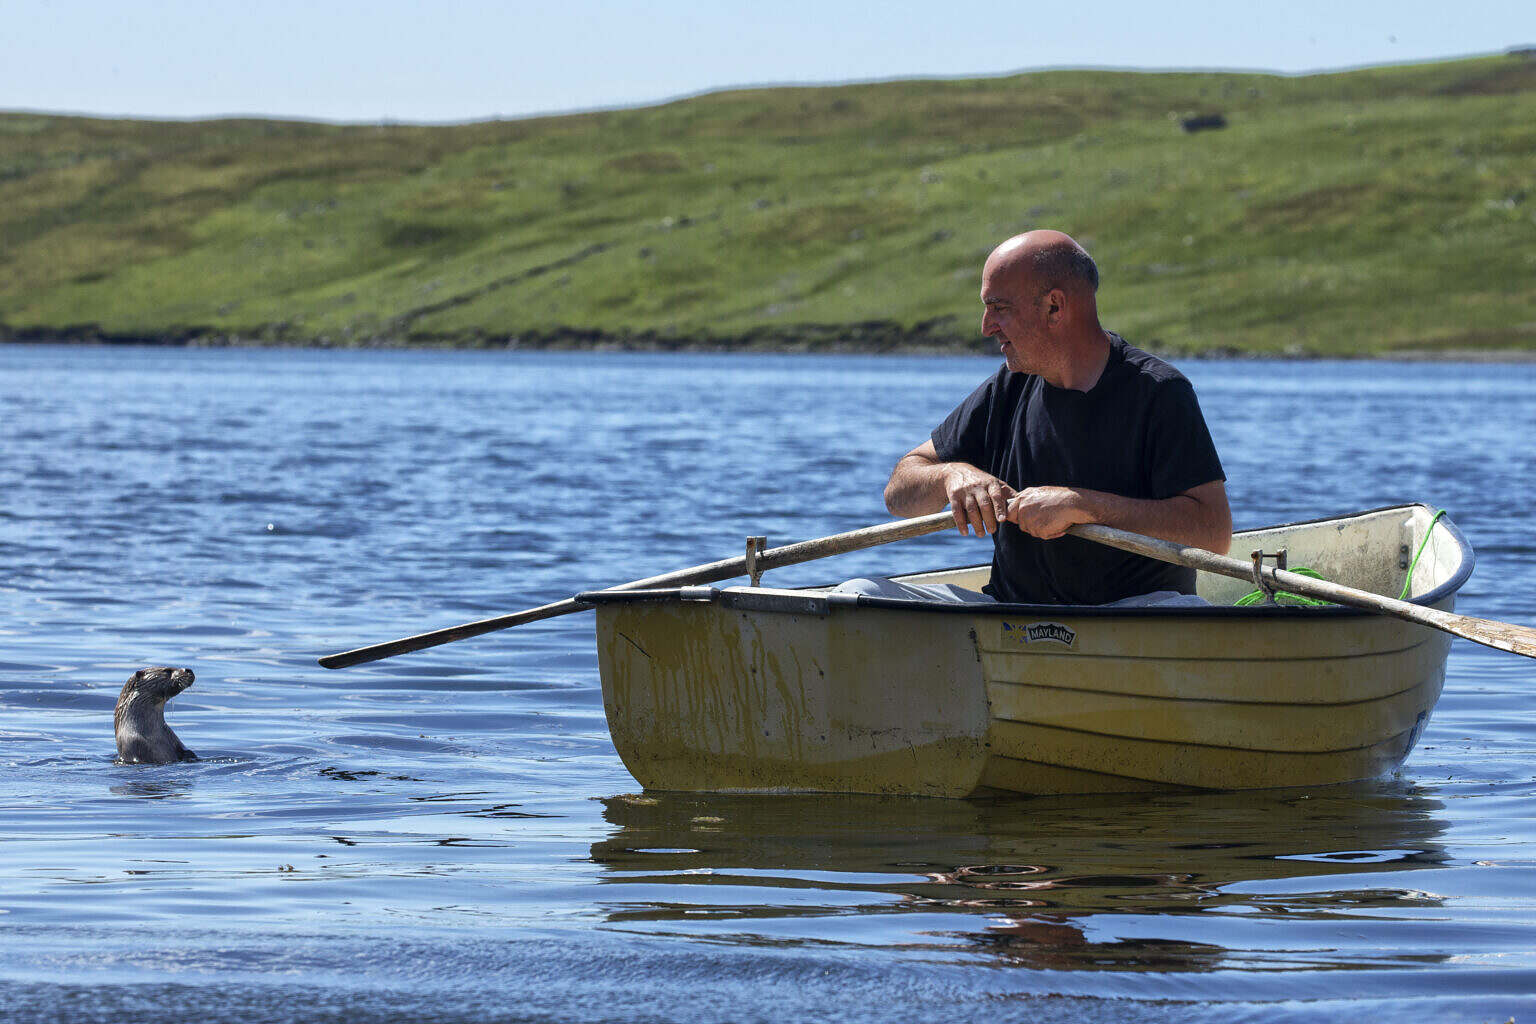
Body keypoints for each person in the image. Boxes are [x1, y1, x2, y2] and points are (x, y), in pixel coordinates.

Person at [873, 230, 1231, 606]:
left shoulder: (1159, 391)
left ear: (1055, 307)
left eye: (1000, 307)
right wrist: (951, 475)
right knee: (862, 593)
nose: (986, 326)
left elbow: (1213, 532)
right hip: (1009, 620)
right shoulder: (1007, 387)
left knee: (1185, 609)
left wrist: (1084, 506)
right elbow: (898, 495)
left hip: (1129, 623)